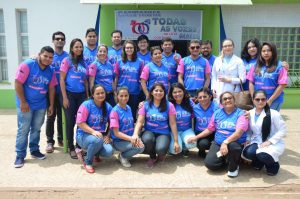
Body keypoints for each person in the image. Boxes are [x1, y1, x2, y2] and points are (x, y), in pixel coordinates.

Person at [14, 46, 57, 168]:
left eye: (50, 57)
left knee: (36, 129)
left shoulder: (50, 71)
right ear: (39, 55)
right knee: (23, 130)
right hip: (25, 104)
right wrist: (23, 102)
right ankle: (20, 155)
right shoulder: (27, 64)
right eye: (45, 56)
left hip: (40, 105)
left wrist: (51, 105)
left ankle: (34, 150)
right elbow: (17, 82)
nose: (48, 59)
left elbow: (51, 88)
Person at [188, 92, 248, 178]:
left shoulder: (241, 114)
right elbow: (210, 129)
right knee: (210, 164)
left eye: (230, 98)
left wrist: (225, 142)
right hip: (218, 143)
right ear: (221, 103)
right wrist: (196, 137)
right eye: (225, 99)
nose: (227, 100)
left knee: (234, 147)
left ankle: (234, 167)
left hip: (234, 142)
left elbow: (239, 133)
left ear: (234, 100)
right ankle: (228, 158)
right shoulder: (217, 113)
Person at [134, 83, 181, 168]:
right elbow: (140, 121)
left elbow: (173, 124)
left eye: (161, 91)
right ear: (151, 92)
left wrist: (176, 141)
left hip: (163, 133)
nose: (158, 92)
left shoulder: (169, 105)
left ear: (164, 93)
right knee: (147, 139)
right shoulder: (145, 105)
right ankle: (152, 157)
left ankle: (160, 154)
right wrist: (135, 134)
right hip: (149, 131)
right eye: (156, 90)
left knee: (160, 149)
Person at [242, 90, 286, 176]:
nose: (260, 102)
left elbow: (282, 130)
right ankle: (259, 162)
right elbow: (248, 130)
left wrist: (269, 142)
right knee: (248, 153)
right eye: (257, 99)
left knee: (263, 155)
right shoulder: (249, 113)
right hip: (257, 140)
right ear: (253, 100)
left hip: (271, 141)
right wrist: (247, 139)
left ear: (266, 100)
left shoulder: (274, 114)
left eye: (263, 99)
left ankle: (273, 165)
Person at [60, 38, 89, 159]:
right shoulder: (66, 61)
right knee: (70, 122)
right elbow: (61, 79)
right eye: (76, 47)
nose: (79, 49)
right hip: (70, 94)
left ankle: (79, 146)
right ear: (72, 48)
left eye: (80, 47)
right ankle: (71, 147)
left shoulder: (83, 62)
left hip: (82, 95)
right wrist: (65, 98)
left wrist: (87, 96)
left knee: (81, 122)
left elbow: (86, 81)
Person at [76, 85, 114, 174]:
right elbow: (80, 123)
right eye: (97, 93)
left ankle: (94, 153)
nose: (100, 95)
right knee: (97, 140)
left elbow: (113, 123)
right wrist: (93, 131)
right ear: (93, 95)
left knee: (109, 151)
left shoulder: (108, 107)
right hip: (83, 135)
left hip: (99, 136)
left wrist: (108, 135)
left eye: (102, 93)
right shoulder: (86, 105)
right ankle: (88, 162)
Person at [247, 42, 288, 111]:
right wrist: (253, 98)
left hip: (274, 101)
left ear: (273, 52)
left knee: (270, 120)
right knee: (258, 120)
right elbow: (251, 83)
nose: (266, 53)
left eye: (269, 50)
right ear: (260, 53)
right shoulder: (254, 66)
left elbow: (282, 85)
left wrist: (270, 100)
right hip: (258, 100)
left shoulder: (280, 66)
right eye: (263, 51)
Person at [45, 31, 69, 153]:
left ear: (65, 41)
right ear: (53, 41)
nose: (59, 41)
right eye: (57, 39)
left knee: (62, 117)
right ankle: (50, 141)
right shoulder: (49, 55)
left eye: (62, 39)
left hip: (63, 92)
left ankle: (61, 139)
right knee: (50, 116)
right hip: (50, 92)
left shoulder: (68, 56)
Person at [110, 87, 145, 168]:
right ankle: (123, 156)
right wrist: (132, 139)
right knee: (140, 147)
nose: (124, 98)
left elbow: (130, 123)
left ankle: (126, 152)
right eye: (121, 96)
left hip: (129, 138)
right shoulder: (115, 111)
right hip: (119, 141)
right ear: (117, 96)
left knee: (143, 142)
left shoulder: (128, 108)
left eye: (126, 95)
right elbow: (116, 133)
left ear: (129, 96)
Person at [114, 40, 144, 121]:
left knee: (132, 114)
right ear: (124, 49)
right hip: (121, 92)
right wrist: (115, 91)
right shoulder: (119, 61)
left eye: (131, 48)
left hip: (134, 92)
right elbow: (116, 77)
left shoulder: (140, 62)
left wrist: (140, 87)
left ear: (134, 49)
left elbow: (142, 78)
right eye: (127, 48)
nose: (129, 49)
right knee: (120, 114)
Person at [211, 39, 246, 103]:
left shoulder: (238, 61)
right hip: (219, 91)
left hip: (233, 91)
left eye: (230, 45)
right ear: (222, 48)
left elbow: (243, 79)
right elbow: (214, 76)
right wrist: (213, 88)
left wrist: (228, 80)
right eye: (225, 46)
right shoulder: (217, 60)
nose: (227, 48)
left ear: (233, 47)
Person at [167, 83, 196, 155]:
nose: (177, 94)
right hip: (173, 131)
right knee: (174, 151)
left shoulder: (189, 102)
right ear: (171, 94)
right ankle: (172, 145)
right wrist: (143, 103)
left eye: (179, 91)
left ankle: (184, 146)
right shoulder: (169, 104)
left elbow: (199, 109)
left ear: (183, 91)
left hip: (187, 130)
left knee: (192, 144)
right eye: (175, 92)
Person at [192, 87, 219, 158]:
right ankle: (202, 150)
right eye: (200, 97)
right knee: (202, 144)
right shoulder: (194, 108)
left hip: (214, 132)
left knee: (216, 144)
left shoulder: (217, 107)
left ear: (210, 96)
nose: (202, 99)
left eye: (205, 96)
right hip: (200, 132)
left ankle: (213, 152)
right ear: (197, 98)